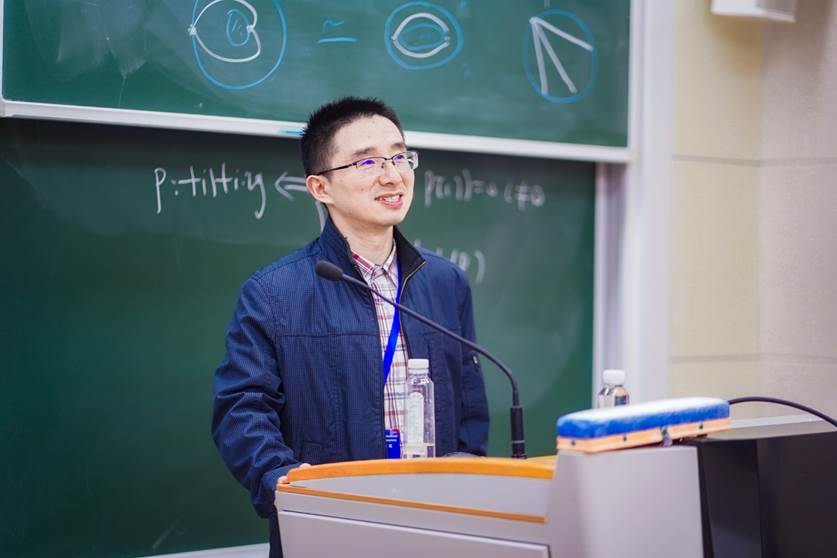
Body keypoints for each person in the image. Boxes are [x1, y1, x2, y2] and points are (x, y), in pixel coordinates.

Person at [211, 97, 490, 557]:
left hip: (434, 521)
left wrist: (468, 468)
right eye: (367, 162)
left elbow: (470, 402)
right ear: (320, 187)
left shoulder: (445, 282)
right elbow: (241, 410)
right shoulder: (274, 292)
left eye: (399, 157)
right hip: (332, 525)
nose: (393, 175)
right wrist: (287, 483)